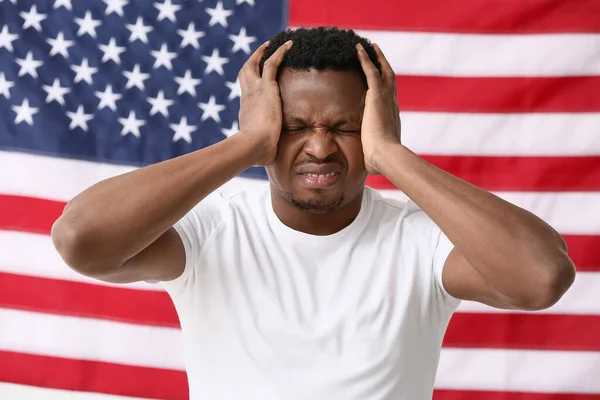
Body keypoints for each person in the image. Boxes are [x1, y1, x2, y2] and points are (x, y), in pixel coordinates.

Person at [51, 27, 576, 400]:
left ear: (374, 126)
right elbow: (80, 239)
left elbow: (541, 278)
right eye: (295, 125)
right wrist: (246, 143)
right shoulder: (215, 228)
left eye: (345, 127)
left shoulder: (421, 240)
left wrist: (393, 155)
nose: (320, 148)